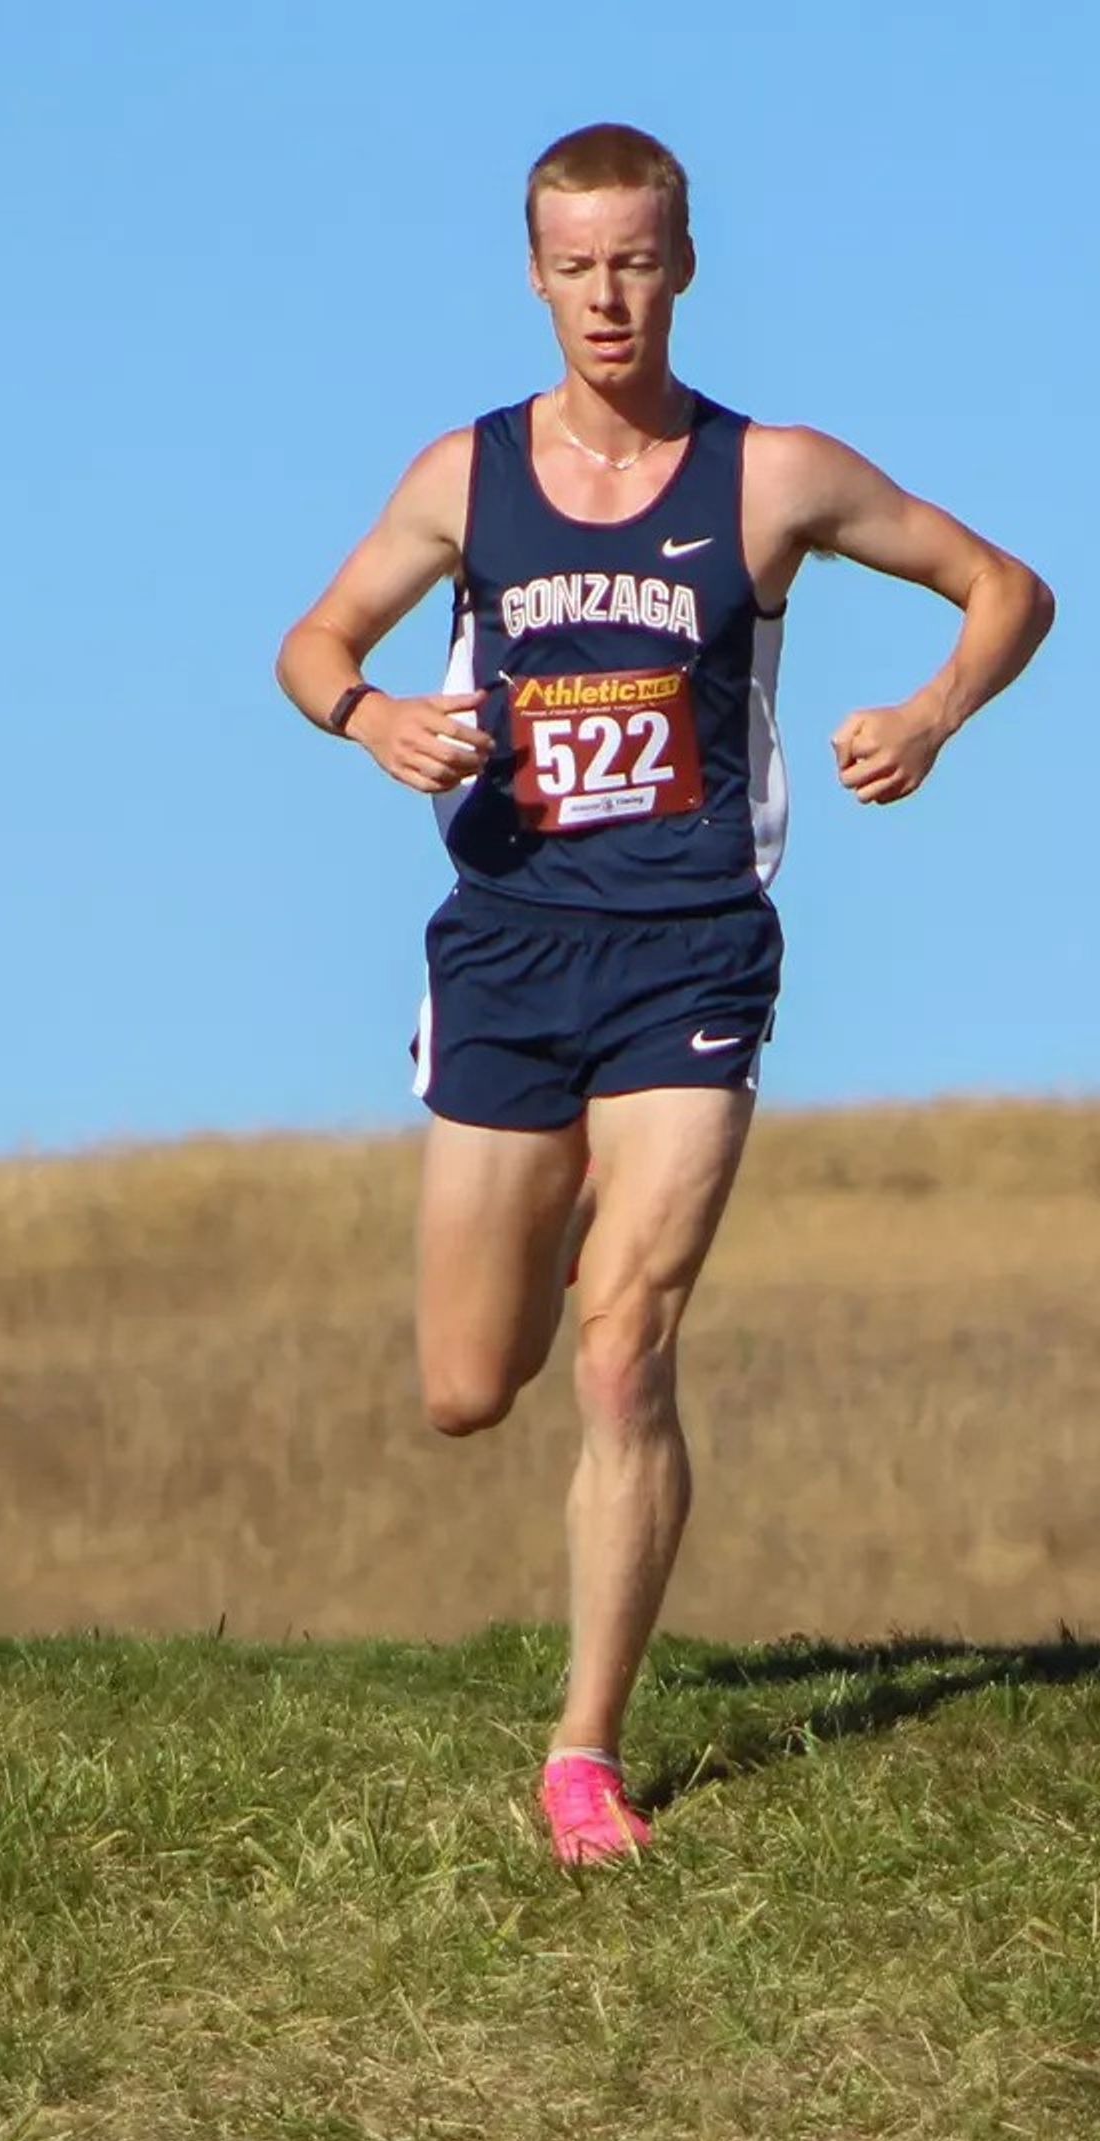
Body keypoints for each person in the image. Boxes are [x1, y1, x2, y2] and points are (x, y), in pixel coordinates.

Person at [272, 124, 1052, 1862]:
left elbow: (1007, 588)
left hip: (694, 945)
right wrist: (374, 717)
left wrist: (927, 716)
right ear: (536, 277)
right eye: (577, 266)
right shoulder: (465, 479)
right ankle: (560, 1211)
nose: (609, 296)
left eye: (638, 260)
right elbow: (312, 645)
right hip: (507, 945)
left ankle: (585, 1752)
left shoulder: (769, 474)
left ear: (685, 264)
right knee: (474, 1385)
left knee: (628, 1349)